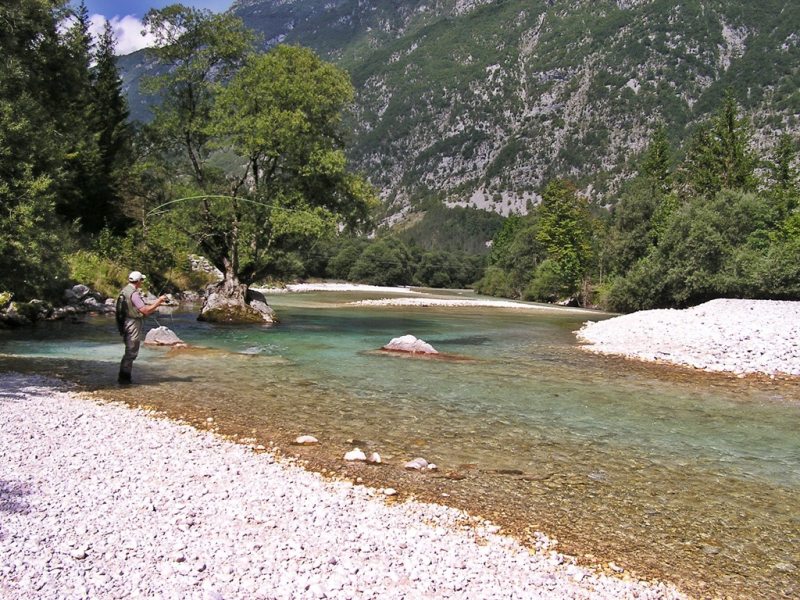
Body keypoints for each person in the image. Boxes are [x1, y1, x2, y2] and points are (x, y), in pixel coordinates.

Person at [118, 271, 168, 385]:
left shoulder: (125, 290)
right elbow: (145, 311)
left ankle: (123, 378)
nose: (142, 282)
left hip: (125, 322)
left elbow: (138, 305)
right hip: (132, 324)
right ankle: (124, 379)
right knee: (131, 352)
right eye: (142, 280)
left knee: (129, 351)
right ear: (139, 281)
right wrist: (158, 302)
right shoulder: (134, 294)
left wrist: (154, 303)